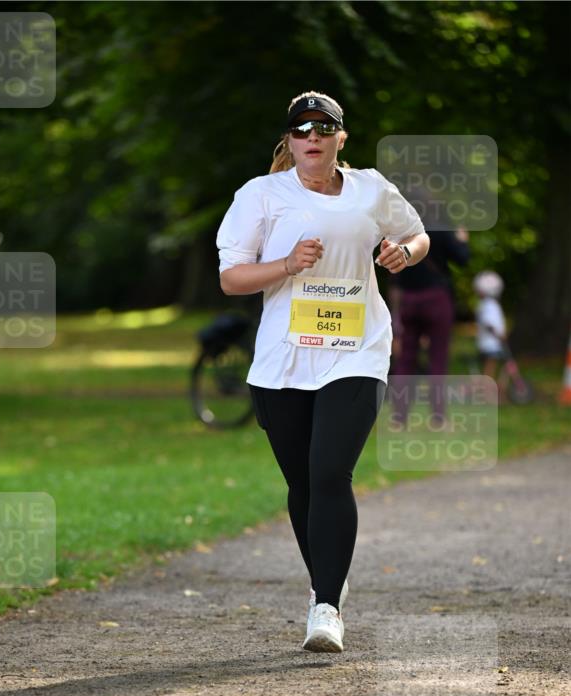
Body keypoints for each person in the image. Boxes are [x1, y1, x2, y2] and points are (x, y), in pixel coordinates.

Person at [216, 90, 429, 653]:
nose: (312, 137)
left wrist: (405, 253)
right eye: (301, 129)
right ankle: (326, 578)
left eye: (323, 127)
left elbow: (417, 233)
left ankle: (326, 607)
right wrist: (287, 265)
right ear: (289, 141)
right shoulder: (261, 195)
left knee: (331, 471)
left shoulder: (370, 188)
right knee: (304, 484)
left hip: (357, 349)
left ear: (341, 137)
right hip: (284, 358)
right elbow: (231, 278)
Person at [389, 223, 470, 429]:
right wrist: (462, 240)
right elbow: (462, 259)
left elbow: (394, 274)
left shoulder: (402, 230)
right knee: (438, 359)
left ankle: (399, 418)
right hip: (436, 299)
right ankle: (438, 418)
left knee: (405, 360)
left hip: (408, 300)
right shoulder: (440, 228)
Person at [473, 270, 507, 379]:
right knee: (489, 368)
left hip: (486, 343)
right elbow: (489, 323)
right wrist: (499, 335)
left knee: (492, 368)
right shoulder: (490, 305)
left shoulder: (484, 304)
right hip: (491, 344)